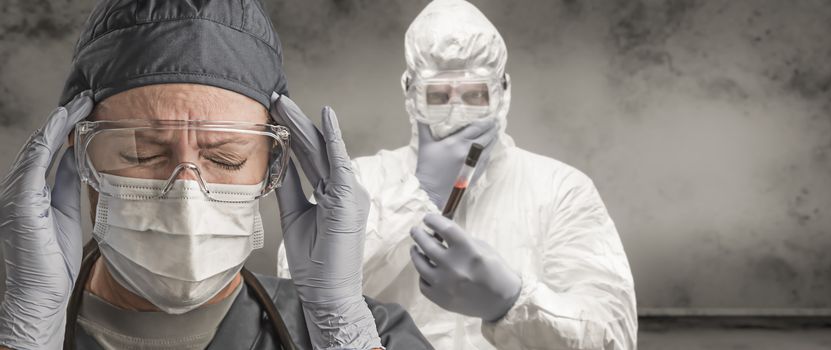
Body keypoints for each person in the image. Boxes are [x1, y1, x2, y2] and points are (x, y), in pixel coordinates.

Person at [0, 1, 432, 349]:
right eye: (143, 152)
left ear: (273, 166)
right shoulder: (14, 331)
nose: (187, 195)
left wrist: (342, 328)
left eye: (226, 159)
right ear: (80, 154)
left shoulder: (379, 335)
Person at [278, 0, 638, 348]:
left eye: (474, 95)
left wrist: (512, 303)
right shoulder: (359, 182)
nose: (456, 113)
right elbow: (298, 301)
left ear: (503, 91)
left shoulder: (559, 190)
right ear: (410, 91)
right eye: (438, 96)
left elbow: (613, 336)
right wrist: (418, 195)